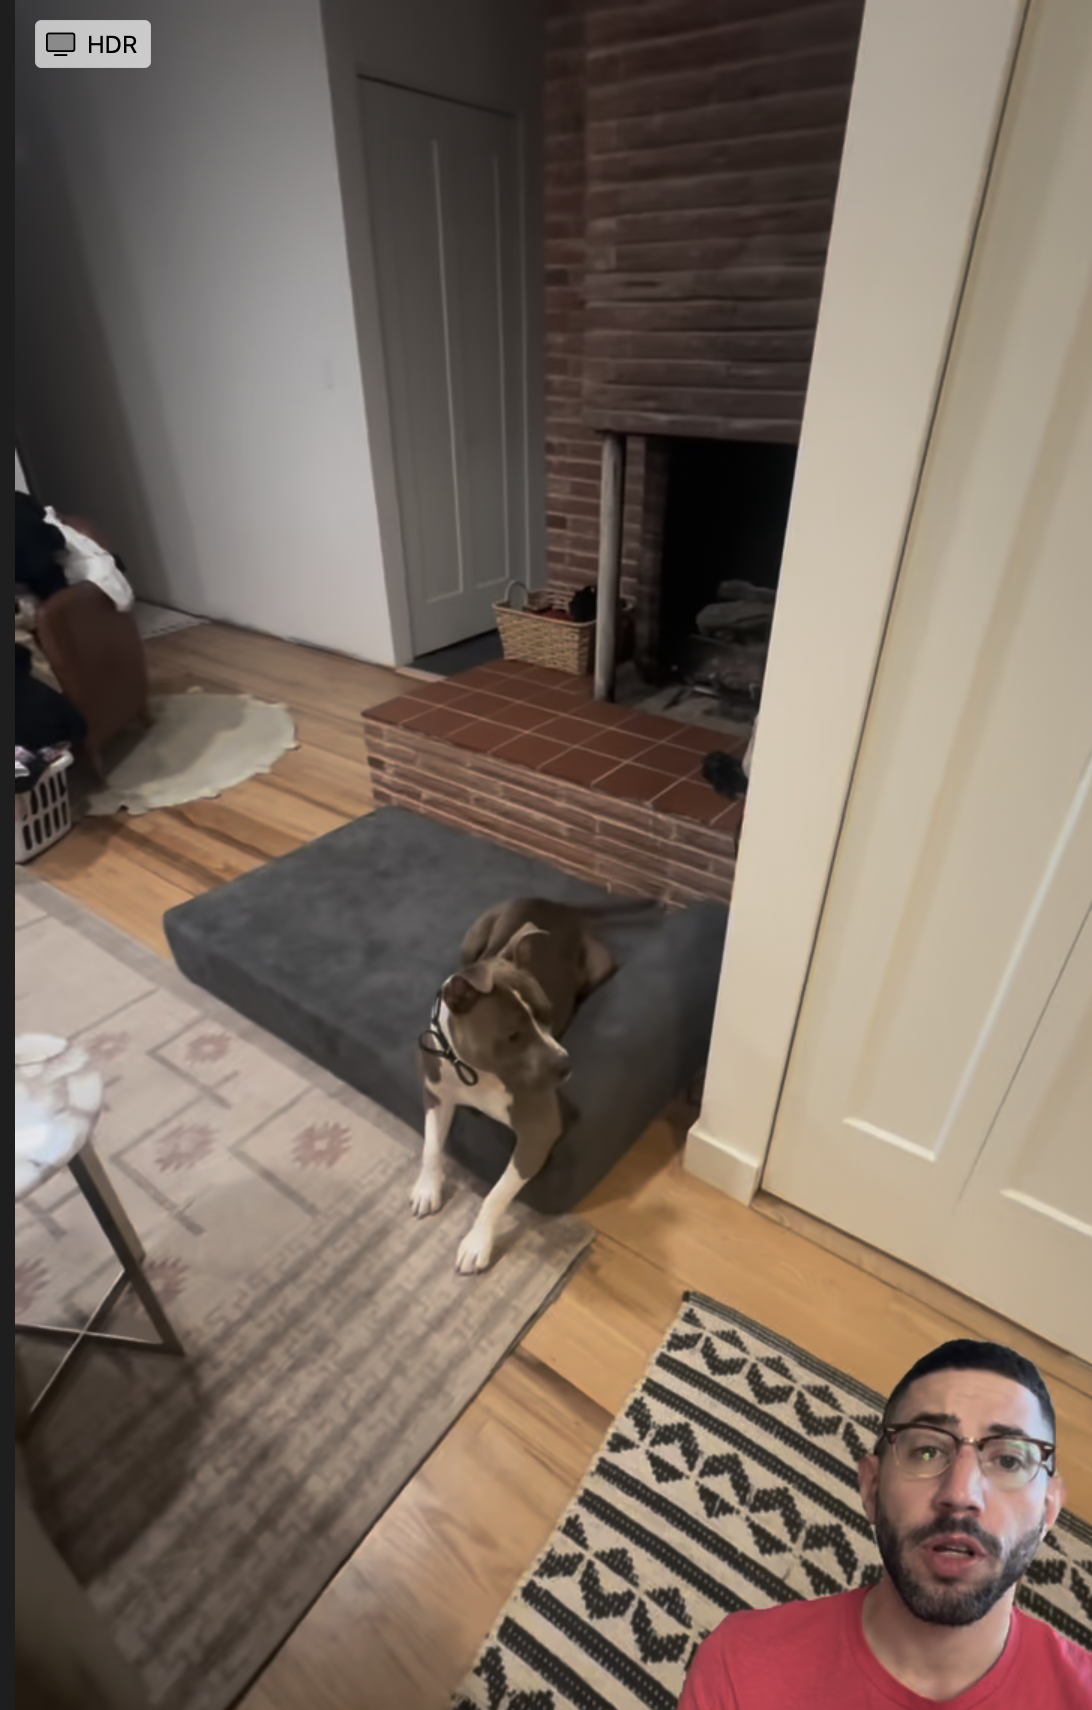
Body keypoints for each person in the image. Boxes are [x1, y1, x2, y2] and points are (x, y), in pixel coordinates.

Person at [678, 1340, 1091, 1707]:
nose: (962, 1493)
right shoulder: (739, 1665)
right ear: (872, 1486)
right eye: (927, 1451)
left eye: (1008, 1460)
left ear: (1048, 1509)